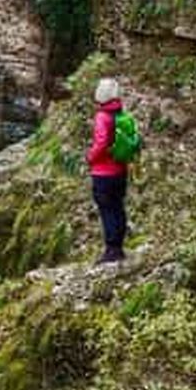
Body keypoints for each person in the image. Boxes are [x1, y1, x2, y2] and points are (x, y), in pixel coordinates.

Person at [87, 77, 128, 264]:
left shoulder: (102, 117)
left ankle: (112, 250)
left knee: (107, 209)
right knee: (118, 207)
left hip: (103, 173)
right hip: (120, 169)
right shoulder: (122, 114)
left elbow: (101, 142)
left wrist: (90, 157)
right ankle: (119, 245)